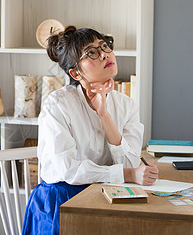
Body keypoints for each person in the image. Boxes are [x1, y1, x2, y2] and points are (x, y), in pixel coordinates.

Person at [22, 26, 158, 235]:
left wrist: (104, 115)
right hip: (60, 202)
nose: (105, 54)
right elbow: (67, 169)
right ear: (76, 72)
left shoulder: (126, 105)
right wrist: (127, 174)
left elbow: (130, 163)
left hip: (108, 197)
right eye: (92, 53)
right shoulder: (57, 104)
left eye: (105, 46)